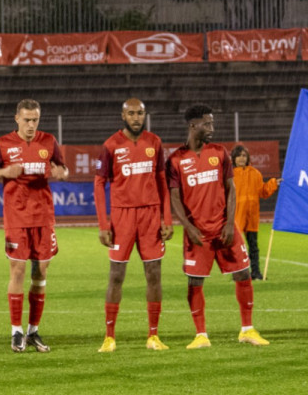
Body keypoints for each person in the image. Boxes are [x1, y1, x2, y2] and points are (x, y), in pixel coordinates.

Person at [166, 104, 269, 348]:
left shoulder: (220, 153)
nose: (212, 127)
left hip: (224, 228)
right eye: (207, 123)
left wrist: (230, 223)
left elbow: (230, 189)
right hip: (197, 233)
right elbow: (174, 196)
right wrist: (189, 228)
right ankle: (201, 335)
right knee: (195, 281)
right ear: (193, 125)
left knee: (243, 273)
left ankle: (247, 329)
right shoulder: (176, 160)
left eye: (213, 123)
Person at [0, 99, 69, 353]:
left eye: (35, 120)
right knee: (17, 272)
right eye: (27, 120)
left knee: (40, 273)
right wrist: (2, 173)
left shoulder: (49, 141)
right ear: (16, 118)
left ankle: (33, 330)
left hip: (44, 218)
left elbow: (62, 168)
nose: (31, 125)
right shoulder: (2, 144)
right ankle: (16, 331)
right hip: (17, 219)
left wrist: (63, 172)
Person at [93, 98, 174, 353]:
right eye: (131, 113)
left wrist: (167, 218)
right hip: (122, 217)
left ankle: (153, 335)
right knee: (116, 275)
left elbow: (162, 181)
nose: (137, 118)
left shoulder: (155, 142)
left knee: (154, 273)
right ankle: (109, 336)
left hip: (150, 216)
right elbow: (98, 184)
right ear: (123, 116)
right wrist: (104, 224)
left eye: (140, 113)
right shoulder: (111, 145)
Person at [231, 144, 279, 280]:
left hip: (252, 216)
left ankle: (256, 273)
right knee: (237, 248)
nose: (241, 158)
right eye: (238, 156)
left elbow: (263, 191)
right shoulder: (229, 175)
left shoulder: (255, 173)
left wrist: (274, 182)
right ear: (233, 158)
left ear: (248, 158)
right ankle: (238, 273)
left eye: (244, 155)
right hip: (236, 216)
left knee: (253, 247)